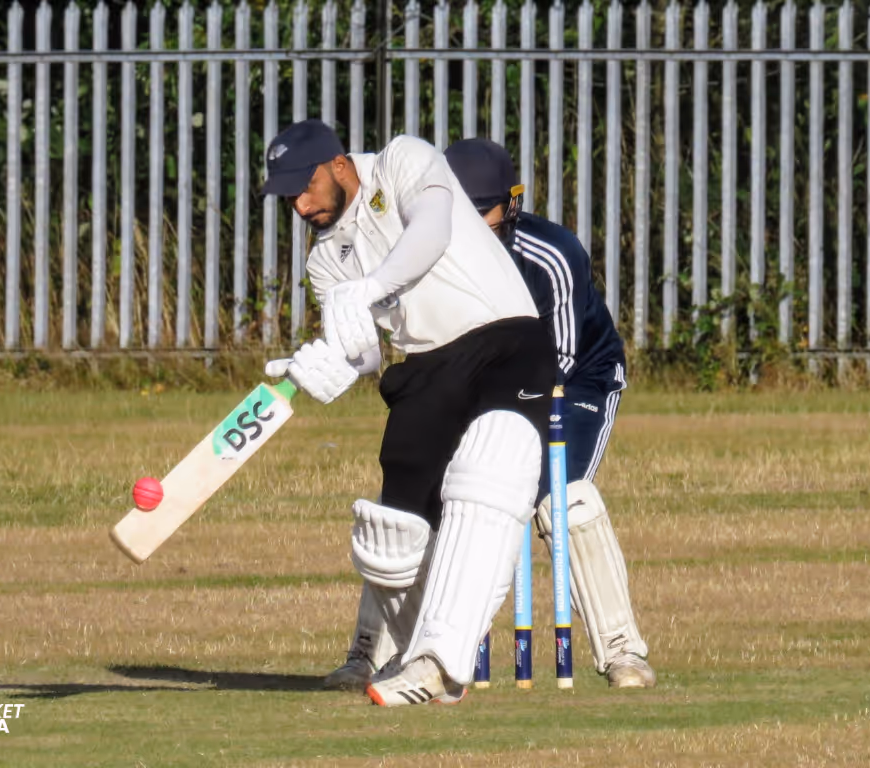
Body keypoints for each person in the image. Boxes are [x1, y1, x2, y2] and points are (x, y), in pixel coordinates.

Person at [261, 119, 558, 706]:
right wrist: (324, 368)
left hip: (504, 337)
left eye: (307, 185)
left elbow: (432, 231)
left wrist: (370, 286)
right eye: (288, 194)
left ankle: (438, 660)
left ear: (340, 166)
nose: (300, 203)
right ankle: (421, 659)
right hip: (424, 367)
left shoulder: (402, 161)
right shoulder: (326, 261)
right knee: (390, 537)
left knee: (488, 473)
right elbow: (365, 350)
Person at [442, 137, 656, 688]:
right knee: (441, 495)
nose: (469, 225)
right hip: (477, 383)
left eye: (482, 211)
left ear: (512, 204)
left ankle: (621, 651)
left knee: (559, 498)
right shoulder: (434, 249)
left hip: (578, 378)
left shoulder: (553, 254)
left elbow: (556, 363)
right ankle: (408, 653)